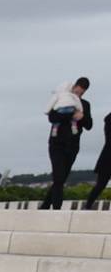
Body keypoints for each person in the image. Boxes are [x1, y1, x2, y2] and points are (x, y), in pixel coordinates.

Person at [43, 79, 91, 209]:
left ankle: (45, 206)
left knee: (61, 179)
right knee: (58, 178)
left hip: (72, 146)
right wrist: (70, 113)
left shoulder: (85, 105)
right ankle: (57, 209)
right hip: (56, 144)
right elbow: (52, 118)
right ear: (73, 86)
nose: (78, 95)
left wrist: (82, 117)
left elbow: (89, 125)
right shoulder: (61, 99)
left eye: (81, 93)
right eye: (77, 91)